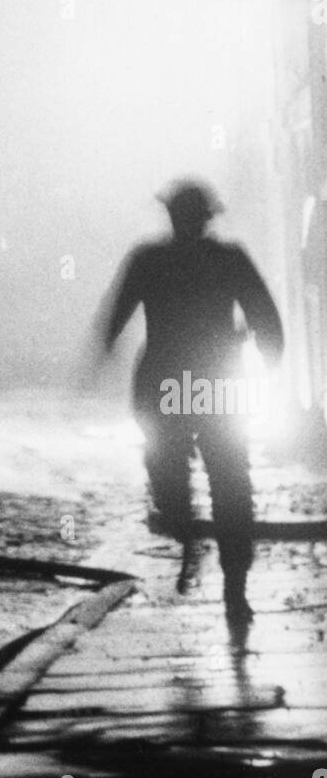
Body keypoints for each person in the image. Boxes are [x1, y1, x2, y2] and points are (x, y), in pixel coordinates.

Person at [101, 180, 283, 621]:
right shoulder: (226, 259)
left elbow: (119, 311)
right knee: (227, 481)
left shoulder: (151, 260)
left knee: (181, 473)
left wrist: (105, 347)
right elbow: (263, 311)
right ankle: (229, 579)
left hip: (169, 378)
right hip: (213, 379)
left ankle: (205, 556)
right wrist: (268, 350)